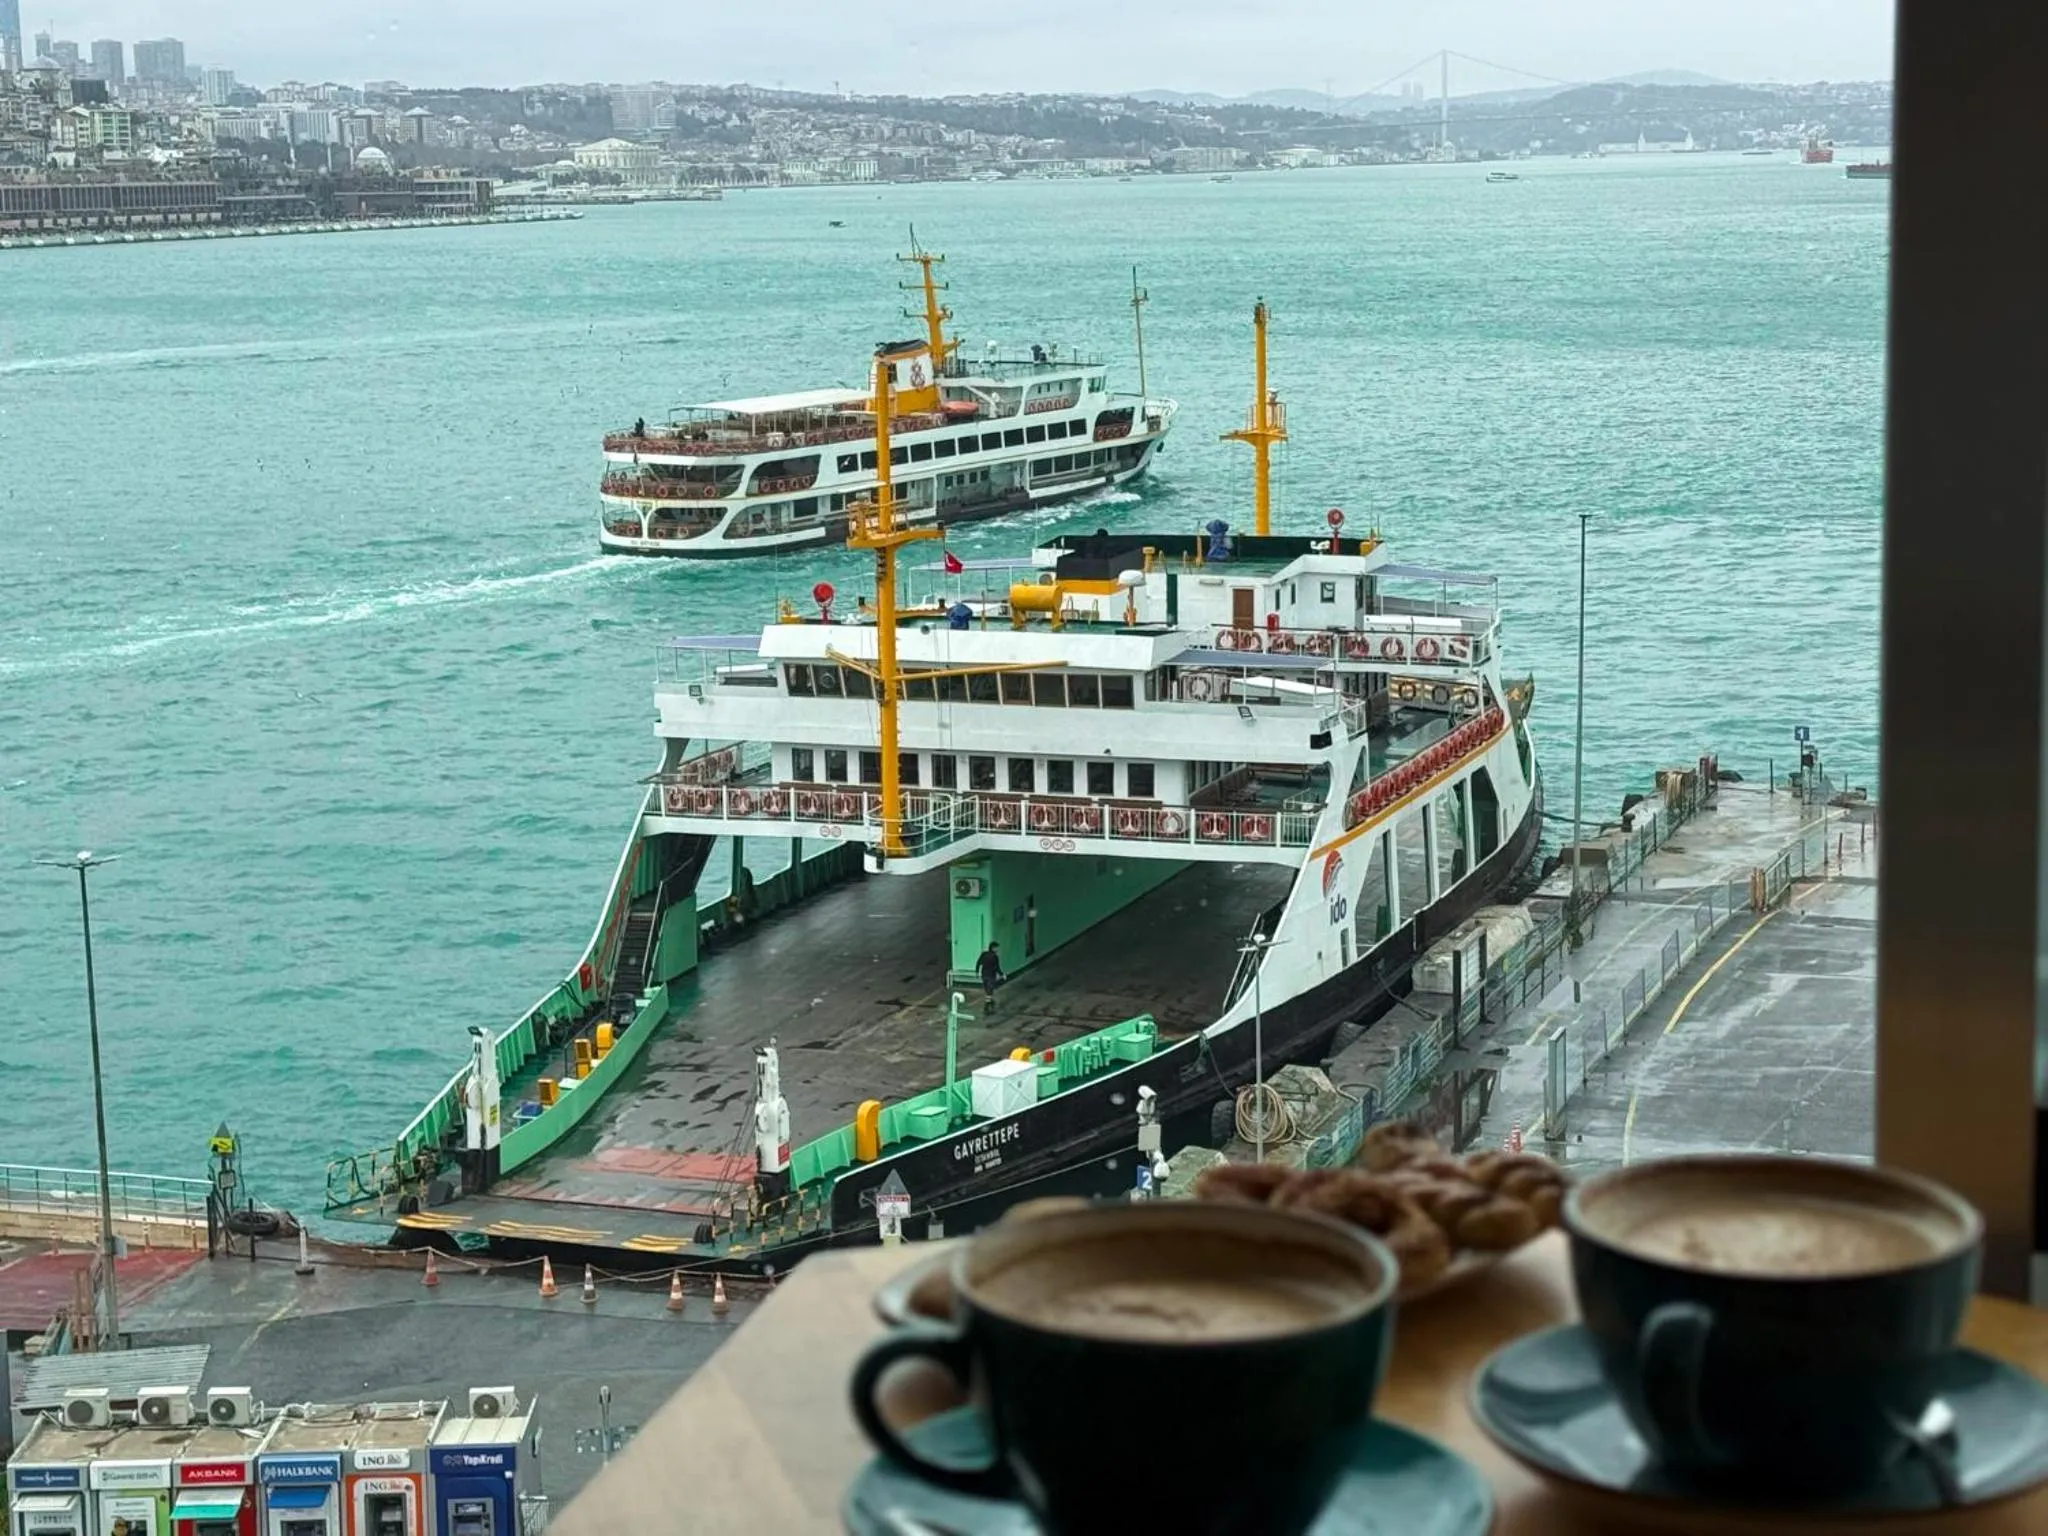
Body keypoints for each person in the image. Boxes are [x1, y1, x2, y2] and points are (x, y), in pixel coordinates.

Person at [977, 942, 1005, 1012]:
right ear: (993, 948)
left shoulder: (984, 954)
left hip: (984, 975)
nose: (998, 949)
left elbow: (978, 963)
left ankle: (990, 1002)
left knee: (987, 990)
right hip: (991, 976)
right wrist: (1002, 974)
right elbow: (997, 967)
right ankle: (987, 1005)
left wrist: (977, 972)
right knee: (990, 991)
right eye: (997, 948)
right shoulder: (995, 957)